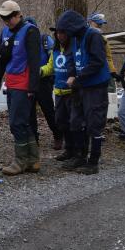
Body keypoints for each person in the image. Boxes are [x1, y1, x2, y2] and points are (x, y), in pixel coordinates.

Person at [56, 11, 110, 175]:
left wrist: (79, 76)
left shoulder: (93, 36)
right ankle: (80, 155)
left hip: (96, 86)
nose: (63, 34)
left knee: (94, 123)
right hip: (80, 86)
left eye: (65, 30)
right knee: (76, 121)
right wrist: (72, 74)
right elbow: (71, 59)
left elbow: (98, 62)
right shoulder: (74, 39)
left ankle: (93, 161)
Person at [0, 1, 41, 174]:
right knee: (23, 122)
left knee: (17, 123)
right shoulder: (5, 32)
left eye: (9, 17)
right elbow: (1, 57)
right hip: (11, 81)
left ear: (18, 14)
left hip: (25, 83)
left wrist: (33, 87)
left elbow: (35, 61)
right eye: (3, 18)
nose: (6, 21)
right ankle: (33, 159)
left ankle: (20, 160)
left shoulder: (30, 31)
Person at [40, 26, 84, 163]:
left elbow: (80, 67)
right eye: (58, 32)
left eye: (63, 32)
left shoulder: (74, 50)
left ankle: (78, 152)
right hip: (58, 92)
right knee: (61, 122)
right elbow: (50, 67)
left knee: (75, 123)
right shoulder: (56, 50)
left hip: (72, 93)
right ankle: (69, 149)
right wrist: (39, 71)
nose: (60, 35)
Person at [25, 17, 63, 150]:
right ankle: (34, 139)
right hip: (27, 81)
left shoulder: (45, 40)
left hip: (43, 80)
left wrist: (44, 73)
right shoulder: (23, 42)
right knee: (29, 113)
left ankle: (58, 135)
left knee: (48, 110)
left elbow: (53, 58)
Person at [87, 12, 119, 79]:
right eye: (98, 23)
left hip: (102, 71)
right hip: (87, 71)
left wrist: (112, 71)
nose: (100, 26)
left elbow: (108, 56)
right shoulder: (83, 36)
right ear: (90, 22)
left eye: (101, 24)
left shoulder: (103, 38)